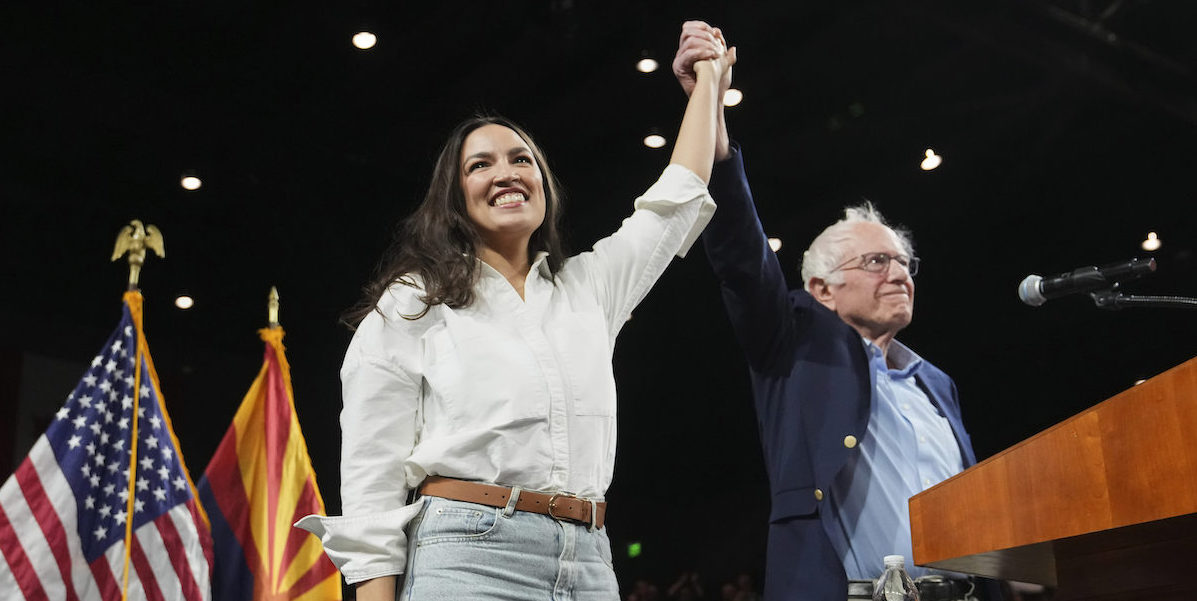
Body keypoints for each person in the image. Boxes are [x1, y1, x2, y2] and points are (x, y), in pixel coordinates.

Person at [295, 31, 736, 601]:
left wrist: (706, 82)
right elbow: (370, 474)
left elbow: (676, 199)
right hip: (466, 560)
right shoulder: (411, 302)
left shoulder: (590, 289)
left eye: (521, 159)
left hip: (590, 563)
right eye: (480, 164)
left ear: (543, 184)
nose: (506, 173)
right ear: (453, 197)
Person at [672, 21, 998, 601]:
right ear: (821, 288)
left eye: (904, 263)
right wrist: (710, 106)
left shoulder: (937, 383)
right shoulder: (791, 344)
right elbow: (742, 255)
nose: (898, 274)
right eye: (877, 261)